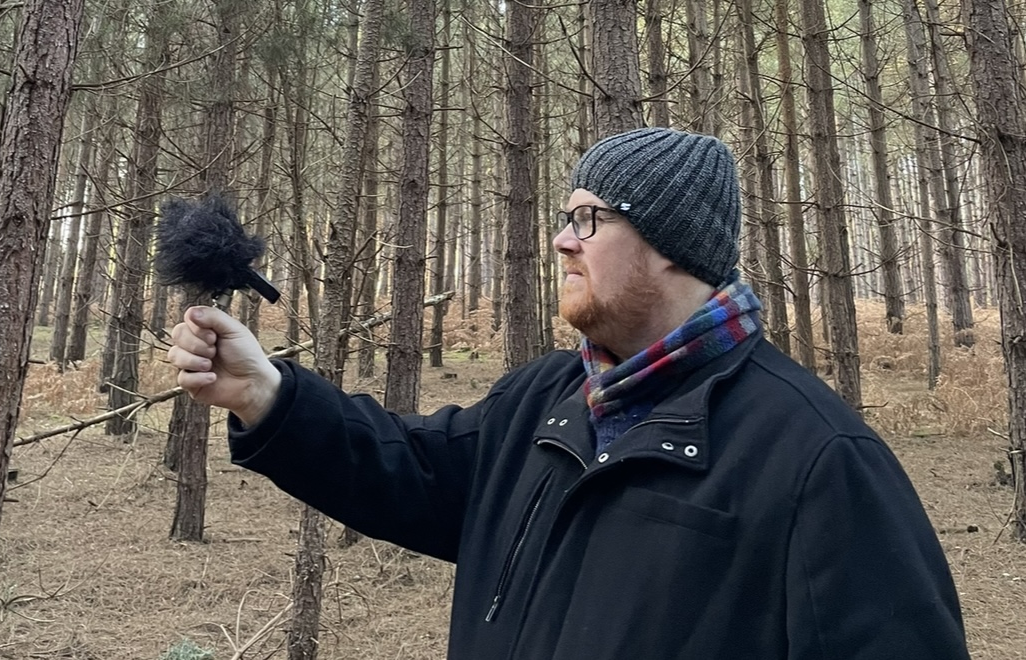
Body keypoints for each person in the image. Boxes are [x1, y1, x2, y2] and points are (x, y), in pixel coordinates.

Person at [168, 128, 970, 659]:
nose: (560, 238)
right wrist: (265, 392)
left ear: (670, 245)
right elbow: (411, 473)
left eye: (589, 218)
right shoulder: (548, 399)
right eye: (564, 215)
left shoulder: (815, 458)